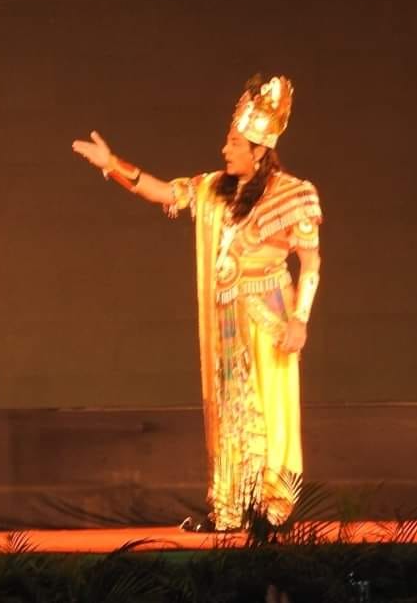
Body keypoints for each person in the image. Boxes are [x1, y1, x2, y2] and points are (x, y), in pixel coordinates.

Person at [72, 75, 323, 531]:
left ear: (259, 150)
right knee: (228, 408)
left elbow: (310, 262)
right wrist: (111, 165)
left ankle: (272, 505)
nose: (225, 150)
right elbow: (164, 192)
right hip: (225, 318)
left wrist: (300, 320)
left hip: (267, 317)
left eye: (234, 143)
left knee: (268, 406)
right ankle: (230, 507)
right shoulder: (212, 189)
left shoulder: (294, 194)